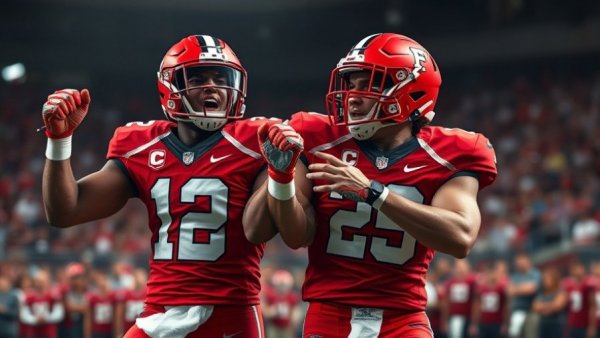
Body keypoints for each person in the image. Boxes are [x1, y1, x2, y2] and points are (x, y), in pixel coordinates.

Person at [244, 32, 497, 337]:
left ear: (411, 92)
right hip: (328, 313)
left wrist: (373, 192)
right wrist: (281, 180)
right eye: (352, 84)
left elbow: (461, 237)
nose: (353, 95)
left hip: (403, 318)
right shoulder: (318, 137)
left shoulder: (451, 153)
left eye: (370, 84)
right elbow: (297, 235)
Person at [41, 34, 274, 337]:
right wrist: (59, 140)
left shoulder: (255, 140)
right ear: (171, 86)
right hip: (160, 313)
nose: (213, 85)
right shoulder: (141, 145)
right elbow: (65, 211)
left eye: (221, 77)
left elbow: (271, 226)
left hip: (231, 313)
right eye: (198, 77)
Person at [507, 252, 541, 338]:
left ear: (528, 261)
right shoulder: (514, 276)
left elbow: (532, 288)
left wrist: (517, 289)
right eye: (518, 262)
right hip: (517, 311)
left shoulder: (535, 274)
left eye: (522, 262)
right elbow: (509, 291)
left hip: (531, 311)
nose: (520, 264)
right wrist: (523, 288)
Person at [562, 260, 596, 338]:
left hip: (584, 324)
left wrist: (592, 326)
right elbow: (563, 302)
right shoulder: (567, 283)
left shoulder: (589, 283)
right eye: (573, 269)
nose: (575, 271)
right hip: (572, 323)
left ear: (583, 269)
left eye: (577, 268)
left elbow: (593, 305)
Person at [532, 266, 566, 338]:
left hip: (556, 324)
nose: (546, 281)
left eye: (548, 278)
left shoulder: (560, 291)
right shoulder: (541, 293)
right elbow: (535, 307)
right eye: (544, 279)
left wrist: (543, 307)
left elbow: (558, 305)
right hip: (543, 324)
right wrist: (551, 305)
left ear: (554, 279)